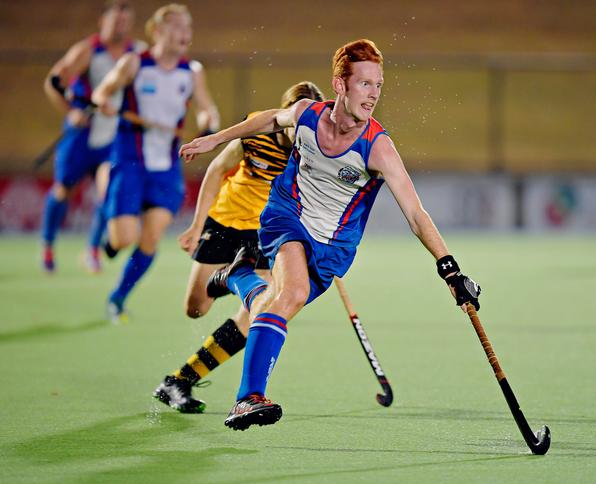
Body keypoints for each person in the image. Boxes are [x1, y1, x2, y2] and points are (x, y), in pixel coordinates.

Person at [180, 39, 481, 431]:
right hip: (286, 217)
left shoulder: (379, 148)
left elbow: (415, 213)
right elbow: (271, 119)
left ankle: (238, 277)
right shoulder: (307, 114)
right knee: (291, 294)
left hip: (333, 247)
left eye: (378, 85)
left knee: (274, 303)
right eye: (365, 84)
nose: (373, 94)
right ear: (340, 84)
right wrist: (215, 139)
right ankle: (247, 398)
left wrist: (450, 269)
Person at [153, 81, 325, 413]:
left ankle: (181, 380)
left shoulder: (314, 149)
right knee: (196, 308)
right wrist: (196, 224)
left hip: (265, 232)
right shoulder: (257, 132)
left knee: (257, 310)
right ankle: (229, 276)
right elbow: (217, 171)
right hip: (225, 221)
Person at [92, 3, 220, 324]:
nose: (185, 34)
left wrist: (207, 124)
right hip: (130, 160)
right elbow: (102, 93)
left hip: (165, 167)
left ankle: (117, 297)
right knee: (123, 239)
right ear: (158, 31)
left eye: (188, 28)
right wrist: (105, 102)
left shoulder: (191, 72)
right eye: (177, 26)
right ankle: (110, 234)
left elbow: (207, 109)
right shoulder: (135, 63)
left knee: (150, 237)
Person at [41, 0, 142, 273]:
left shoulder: (137, 53)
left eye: (125, 20)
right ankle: (48, 246)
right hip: (81, 136)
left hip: (112, 137)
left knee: (107, 189)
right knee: (63, 190)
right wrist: (70, 112)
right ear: (103, 21)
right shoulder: (88, 50)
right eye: (115, 20)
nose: (120, 25)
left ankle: (92, 250)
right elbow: (53, 82)